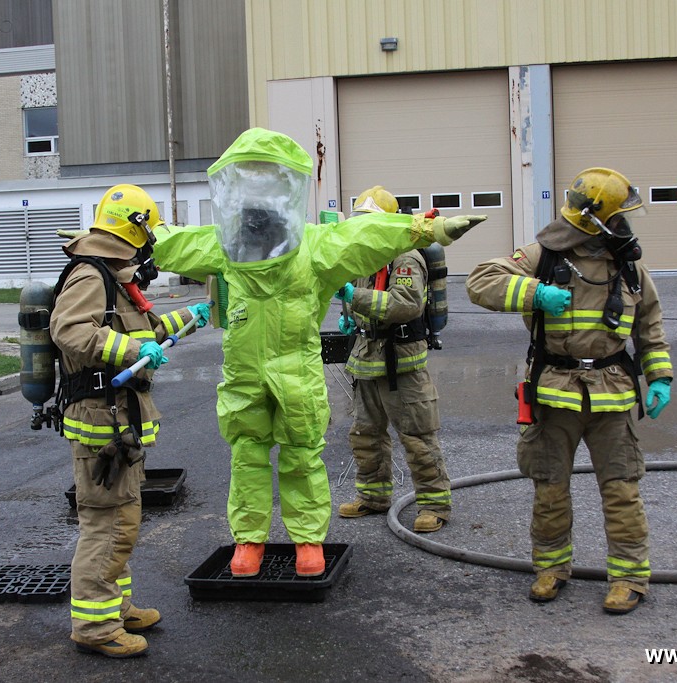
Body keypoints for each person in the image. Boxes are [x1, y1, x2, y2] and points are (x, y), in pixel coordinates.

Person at [152, 127, 486, 578]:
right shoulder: (228, 244)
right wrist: (119, 237)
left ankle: (308, 541)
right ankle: (248, 540)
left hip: (296, 371)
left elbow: (365, 235)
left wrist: (427, 228)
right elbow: (177, 242)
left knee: (302, 455)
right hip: (245, 373)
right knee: (247, 456)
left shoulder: (313, 245)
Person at [465, 167, 673, 614]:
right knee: (550, 488)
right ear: (594, 219)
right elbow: (480, 282)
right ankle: (551, 569)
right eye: (616, 216)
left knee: (621, 490)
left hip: (612, 395)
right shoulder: (543, 255)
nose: (623, 224)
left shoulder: (629, 265)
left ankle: (629, 578)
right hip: (555, 394)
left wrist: (659, 377)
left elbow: (649, 325)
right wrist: (534, 293)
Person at [50, 184, 210, 658]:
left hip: (118, 423)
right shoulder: (91, 274)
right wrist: (132, 350)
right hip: (102, 423)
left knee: (122, 518)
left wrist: (189, 317)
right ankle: (95, 627)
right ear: (137, 230)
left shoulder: (112, 275)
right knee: (107, 524)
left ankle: (113, 609)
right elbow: (70, 330)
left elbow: (143, 332)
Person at [336, 186, 452, 533]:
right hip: (365, 359)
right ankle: (373, 497)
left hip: (401, 363)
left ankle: (434, 504)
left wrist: (354, 297)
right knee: (365, 435)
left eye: (370, 222)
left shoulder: (405, 257)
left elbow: (406, 304)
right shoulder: (364, 257)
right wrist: (349, 315)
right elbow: (358, 298)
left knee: (417, 437)